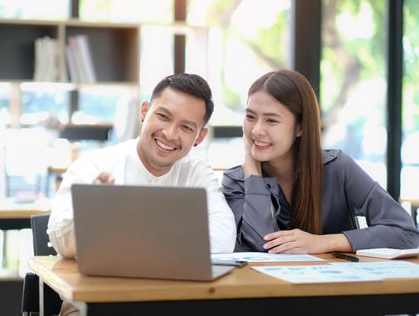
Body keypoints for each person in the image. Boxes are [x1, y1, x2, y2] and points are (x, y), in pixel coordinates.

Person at [222, 69, 419, 254]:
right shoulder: (238, 181)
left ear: (300, 127)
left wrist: (323, 242)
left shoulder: (337, 168)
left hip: (337, 288)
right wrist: (253, 175)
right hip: (270, 290)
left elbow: (406, 232)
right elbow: (259, 247)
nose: (256, 130)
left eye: (271, 120)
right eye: (250, 117)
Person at [48, 72, 236, 257]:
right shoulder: (95, 165)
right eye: (163, 117)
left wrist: (126, 235)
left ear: (199, 137)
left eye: (186, 127)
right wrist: (92, 211)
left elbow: (223, 237)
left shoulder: (197, 173)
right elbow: (59, 240)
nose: (170, 134)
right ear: (144, 112)